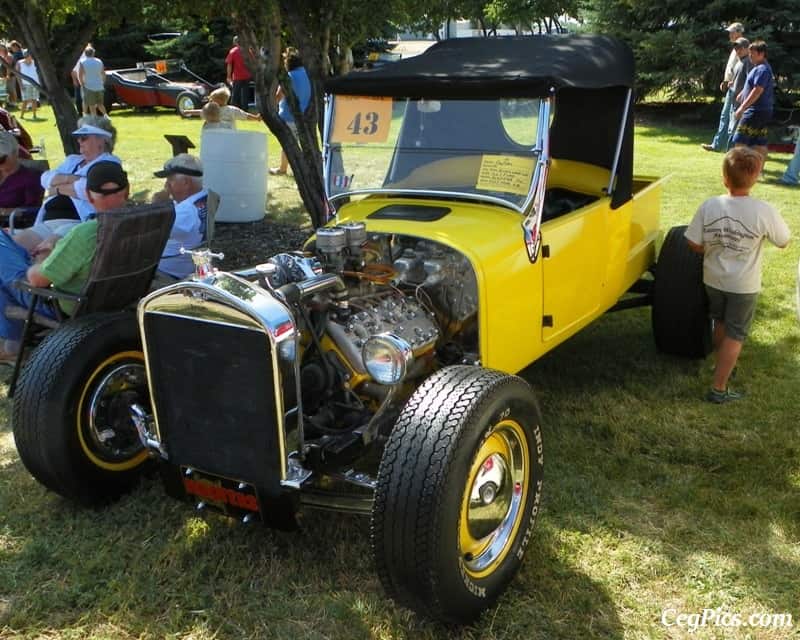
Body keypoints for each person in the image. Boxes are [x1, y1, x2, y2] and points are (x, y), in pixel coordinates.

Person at [685, 147, 790, 403]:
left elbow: (693, 243)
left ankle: (720, 366)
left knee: (720, 322)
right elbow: (783, 241)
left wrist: (713, 247)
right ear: (755, 177)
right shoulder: (763, 210)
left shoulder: (710, 205)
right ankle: (719, 388)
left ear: (725, 178)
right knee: (736, 333)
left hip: (713, 279)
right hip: (743, 285)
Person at [0, 161, 129, 362]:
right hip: (116, 299)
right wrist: (57, 247)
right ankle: (12, 343)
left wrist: (44, 257)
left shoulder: (87, 233)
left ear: (87, 195)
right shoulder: (141, 222)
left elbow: (36, 280)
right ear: (127, 190)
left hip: (61, 303)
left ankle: (13, 345)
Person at [18, 116, 121, 250]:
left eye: (84, 137)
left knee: (45, 251)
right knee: (13, 247)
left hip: (78, 223)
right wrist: (73, 180)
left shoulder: (110, 162)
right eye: (78, 137)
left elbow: (89, 190)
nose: (79, 140)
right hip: (49, 221)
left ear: (101, 140)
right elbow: (45, 178)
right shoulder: (73, 160)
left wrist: (59, 188)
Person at [151, 154, 209, 279]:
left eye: (170, 180)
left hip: (165, 273)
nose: (166, 185)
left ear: (186, 183)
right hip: (189, 265)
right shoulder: (207, 196)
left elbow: (146, 231)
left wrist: (156, 205)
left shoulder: (182, 215)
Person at [702, 22, 744, 152]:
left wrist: (732, 82)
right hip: (731, 86)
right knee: (725, 116)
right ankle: (718, 144)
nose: (730, 34)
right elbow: (732, 69)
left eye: (732, 32)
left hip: (736, 88)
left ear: (739, 32)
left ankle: (729, 147)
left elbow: (743, 69)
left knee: (731, 118)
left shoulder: (743, 48)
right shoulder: (735, 48)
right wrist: (725, 81)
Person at [269, 47, 311, 176]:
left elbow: (278, 96)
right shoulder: (306, 74)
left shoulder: (289, 76)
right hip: (303, 115)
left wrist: (270, 107)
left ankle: (282, 169)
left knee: (287, 144)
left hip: (288, 115)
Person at [732, 40, 774, 159]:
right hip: (763, 111)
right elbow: (753, 86)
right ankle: (757, 172)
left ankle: (739, 171)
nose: (750, 56)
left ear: (761, 54)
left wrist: (742, 108)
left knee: (740, 141)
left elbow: (757, 91)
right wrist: (742, 93)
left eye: (752, 54)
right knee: (759, 143)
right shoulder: (761, 67)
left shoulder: (762, 69)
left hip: (755, 111)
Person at [0, 130, 44, 209]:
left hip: (11, 220)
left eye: (1, 159)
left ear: (15, 153)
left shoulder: (30, 178)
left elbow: (31, 210)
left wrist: (4, 211)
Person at [725, 37, 752, 149]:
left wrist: (743, 94)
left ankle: (731, 156)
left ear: (747, 49)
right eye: (736, 48)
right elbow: (738, 78)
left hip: (742, 102)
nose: (737, 50)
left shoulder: (748, 62)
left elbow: (750, 81)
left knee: (736, 132)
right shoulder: (739, 62)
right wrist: (732, 83)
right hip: (734, 100)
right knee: (732, 129)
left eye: (740, 48)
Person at [225, 36, 253, 110]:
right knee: (245, 94)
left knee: (235, 95)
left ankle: (232, 110)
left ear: (235, 42)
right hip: (247, 76)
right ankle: (245, 110)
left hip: (237, 77)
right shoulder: (248, 50)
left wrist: (228, 76)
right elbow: (252, 62)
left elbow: (229, 65)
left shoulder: (233, 51)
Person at [78, 46, 107, 117]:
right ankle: (106, 116)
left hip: (88, 86)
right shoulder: (99, 61)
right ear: (93, 53)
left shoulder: (82, 62)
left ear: (85, 54)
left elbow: (80, 75)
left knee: (91, 105)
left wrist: (82, 84)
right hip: (99, 86)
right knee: (100, 104)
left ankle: (93, 119)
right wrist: (102, 83)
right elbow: (103, 74)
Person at [15, 49, 40, 120]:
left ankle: (34, 115)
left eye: (28, 55)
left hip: (35, 83)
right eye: (26, 55)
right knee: (25, 101)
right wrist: (20, 85)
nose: (27, 57)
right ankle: (22, 116)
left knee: (34, 99)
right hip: (25, 84)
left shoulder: (35, 62)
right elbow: (18, 75)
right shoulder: (19, 63)